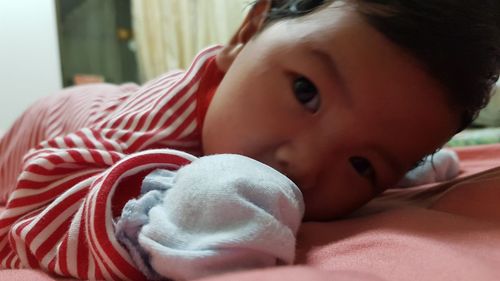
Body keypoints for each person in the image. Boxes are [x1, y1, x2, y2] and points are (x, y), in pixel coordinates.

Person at [0, 0, 498, 279]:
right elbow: (23, 226)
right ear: (248, 30)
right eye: (306, 92)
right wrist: (166, 225)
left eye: (363, 164)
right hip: (46, 124)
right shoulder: (142, 128)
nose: (299, 165)